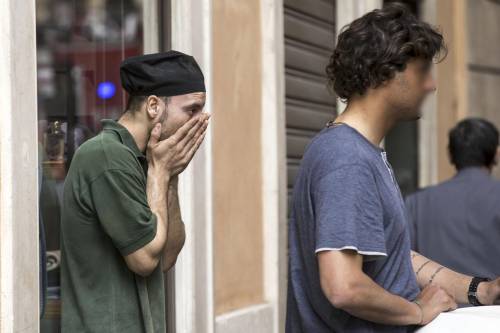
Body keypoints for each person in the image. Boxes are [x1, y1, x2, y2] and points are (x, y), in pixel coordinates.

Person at [286, 4, 500, 333]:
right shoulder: (347, 158)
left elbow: (393, 257)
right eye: (423, 70)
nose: (431, 85)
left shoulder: (361, 153)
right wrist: (417, 310)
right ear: (386, 72)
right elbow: (343, 286)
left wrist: (481, 290)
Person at [61, 51, 210, 332]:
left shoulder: (147, 161)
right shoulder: (107, 156)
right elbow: (143, 259)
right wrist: (161, 173)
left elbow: (166, 258)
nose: (199, 121)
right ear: (154, 106)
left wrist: (170, 176)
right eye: (192, 110)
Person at [406, 118, 500, 281]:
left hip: (440, 304)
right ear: (496, 154)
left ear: (450, 154)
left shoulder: (417, 203)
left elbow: (405, 264)